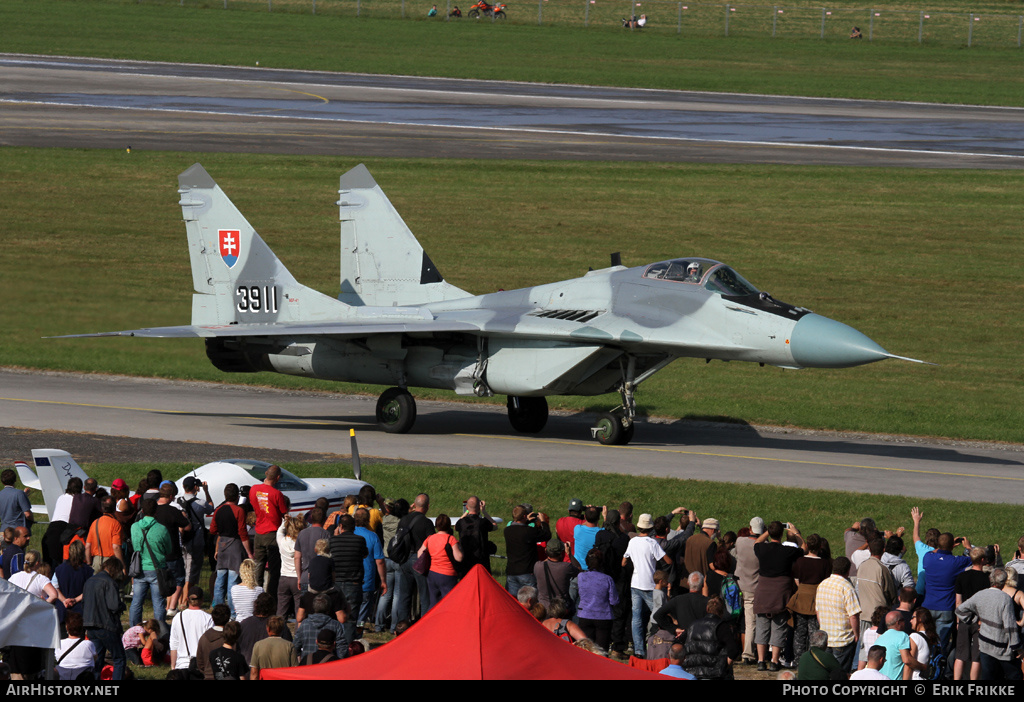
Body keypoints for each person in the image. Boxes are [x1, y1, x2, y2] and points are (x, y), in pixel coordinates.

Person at [753, 520, 805, 671]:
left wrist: (769, 531)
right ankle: (774, 661)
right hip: (781, 591)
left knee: (762, 626)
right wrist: (796, 532)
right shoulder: (787, 551)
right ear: (782, 535)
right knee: (779, 626)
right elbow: (803, 548)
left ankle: (761, 661)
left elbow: (757, 541)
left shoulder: (762, 549)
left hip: (763, 590)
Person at [955, 568, 1022, 680]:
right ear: (1003, 582)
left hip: (985, 645)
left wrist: (975, 621)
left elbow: (960, 610)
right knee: (1014, 675)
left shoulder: (981, 594)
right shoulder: (1005, 599)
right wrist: (1017, 647)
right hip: (1002, 649)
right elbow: (1010, 626)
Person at [622, 513, 672, 658]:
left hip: (635, 584)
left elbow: (623, 562)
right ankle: (657, 645)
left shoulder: (632, 542)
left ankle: (639, 650)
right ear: (651, 529)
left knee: (636, 618)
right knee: (658, 616)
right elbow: (668, 561)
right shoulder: (652, 543)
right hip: (650, 585)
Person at [922, 532, 974, 644]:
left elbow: (933, 552)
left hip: (928, 605)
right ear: (952, 546)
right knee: (941, 643)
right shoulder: (957, 562)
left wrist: (945, 546)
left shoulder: (928, 558)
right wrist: (968, 547)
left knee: (925, 642)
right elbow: (974, 558)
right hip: (946, 607)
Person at [210, 483, 253, 617]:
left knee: (220, 580)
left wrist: (217, 547)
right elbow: (242, 533)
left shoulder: (218, 510)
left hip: (222, 545)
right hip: (235, 546)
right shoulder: (239, 510)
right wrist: (249, 553)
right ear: (237, 496)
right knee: (233, 581)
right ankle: (233, 613)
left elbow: (212, 530)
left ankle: (218, 610)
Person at [250, 465, 289, 608]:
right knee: (274, 570)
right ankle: (271, 600)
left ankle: (256, 598)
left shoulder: (253, 489)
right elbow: (284, 513)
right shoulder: (277, 494)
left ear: (266, 474)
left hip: (259, 532)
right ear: (277, 478)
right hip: (273, 533)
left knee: (258, 567)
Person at [82, 558, 127, 681]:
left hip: (90, 625)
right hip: (106, 625)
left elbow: (84, 602)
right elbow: (113, 606)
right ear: (115, 569)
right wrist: (122, 605)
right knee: (119, 659)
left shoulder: (89, 581)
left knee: (97, 660)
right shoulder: (109, 582)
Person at [815, 556, 862, 672]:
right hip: (842, 639)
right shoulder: (847, 588)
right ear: (848, 570)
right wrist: (856, 634)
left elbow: (818, 611)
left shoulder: (822, 584)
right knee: (840, 673)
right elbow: (853, 615)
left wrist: (823, 627)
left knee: (827, 672)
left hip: (826, 637)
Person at [790, 533, 831, 663]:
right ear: (819, 547)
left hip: (801, 598)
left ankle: (798, 661)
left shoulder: (800, 561)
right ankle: (813, 660)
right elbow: (825, 582)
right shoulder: (824, 563)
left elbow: (796, 580)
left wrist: (803, 588)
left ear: (807, 545)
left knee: (799, 633)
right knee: (814, 633)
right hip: (816, 599)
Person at [395, 493, 434, 623]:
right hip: (419, 560)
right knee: (424, 595)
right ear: (427, 507)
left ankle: (402, 625)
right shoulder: (426, 522)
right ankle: (424, 624)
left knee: (404, 595)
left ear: (414, 504)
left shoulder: (404, 519)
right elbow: (431, 543)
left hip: (404, 558)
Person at [329, 513, 368, 645]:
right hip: (354, 583)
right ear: (354, 527)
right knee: (351, 618)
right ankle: (348, 646)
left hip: (336, 584)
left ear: (340, 526)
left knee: (334, 616)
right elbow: (364, 554)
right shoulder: (360, 540)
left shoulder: (332, 540)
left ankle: (335, 644)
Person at [682, 596, 741, 680]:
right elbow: (734, 650)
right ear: (722, 611)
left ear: (707, 609)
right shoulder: (721, 626)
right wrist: (724, 665)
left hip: (692, 673)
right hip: (714, 674)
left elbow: (677, 643)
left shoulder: (692, 625)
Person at [953, 546, 990, 680]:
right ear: (982, 560)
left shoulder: (961, 576)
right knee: (976, 656)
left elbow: (958, 602)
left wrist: (958, 621)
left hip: (964, 619)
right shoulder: (987, 579)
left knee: (960, 654)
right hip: (980, 620)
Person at [178, 476, 214, 603]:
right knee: (191, 573)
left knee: (182, 572)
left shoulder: (177, 502)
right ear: (195, 487)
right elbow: (211, 507)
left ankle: (180, 600)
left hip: (180, 542)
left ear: (183, 487)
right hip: (196, 541)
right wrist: (206, 491)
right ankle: (184, 602)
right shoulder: (200, 503)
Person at [417, 513, 462, 613]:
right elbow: (458, 558)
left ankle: (430, 624)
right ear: (449, 525)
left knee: (433, 603)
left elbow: (419, 554)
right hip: (447, 575)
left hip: (432, 574)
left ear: (436, 526)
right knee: (449, 603)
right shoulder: (451, 539)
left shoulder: (430, 538)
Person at [503, 505, 550, 598]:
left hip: (512, 571)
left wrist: (527, 521)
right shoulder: (528, 531)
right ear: (524, 516)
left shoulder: (507, 530)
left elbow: (519, 529)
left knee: (513, 601)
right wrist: (543, 521)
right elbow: (546, 535)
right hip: (527, 571)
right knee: (530, 601)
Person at [576, 548, 618, 651]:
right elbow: (614, 600)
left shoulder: (581, 576)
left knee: (586, 650)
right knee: (602, 651)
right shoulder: (607, 579)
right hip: (603, 616)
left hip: (585, 615)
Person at [353, 507, 386, 625]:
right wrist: (383, 580)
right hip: (367, 580)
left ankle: (349, 632)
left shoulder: (349, 533)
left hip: (349, 580)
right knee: (363, 611)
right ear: (368, 520)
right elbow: (380, 561)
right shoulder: (373, 536)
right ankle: (358, 631)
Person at [169, 589, 214, 673]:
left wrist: (173, 666)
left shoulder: (178, 617)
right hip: (202, 665)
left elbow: (174, 644)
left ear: (187, 599)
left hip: (182, 665)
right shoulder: (208, 618)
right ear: (202, 599)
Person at [293, 593, 347, 661]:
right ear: (329, 608)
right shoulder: (335, 625)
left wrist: (299, 660)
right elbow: (342, 648)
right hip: (329, 663)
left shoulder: (304, 624)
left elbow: (295, 646)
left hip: (308, 663)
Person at [874, 610, 921, 680]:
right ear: (898, 622)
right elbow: (907, 660)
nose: (905, 622)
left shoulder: (879, 639)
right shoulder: (902, 635)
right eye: (903, 620)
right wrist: (923, 667)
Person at [534, 539, 576, 614]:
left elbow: (546, 562)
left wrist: (548, 553)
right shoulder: (566, 567)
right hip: (561, 608)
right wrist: (569, 554)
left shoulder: (537, 566)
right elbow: (579, 569)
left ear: (546, 550)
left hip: (544, 608)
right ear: (561, 553)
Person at [456, 496, 495, 574]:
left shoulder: (462, 523)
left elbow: (456, 526)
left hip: (465, 560)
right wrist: (484, 511)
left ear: (467, 507)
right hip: (481, 560)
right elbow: (494, 525)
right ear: (479, 507)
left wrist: (467, 511)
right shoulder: (483, 522)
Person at [54, 539, 93, 617]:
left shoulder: (58, 569)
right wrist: (75, 600)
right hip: (80, 611)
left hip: (62, 610)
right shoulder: (89, 571)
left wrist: (64, 600)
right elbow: (90, 590)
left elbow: (55, 588)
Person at [85, 496, 124, 572]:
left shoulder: (95, 523)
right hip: (111, 563)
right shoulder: (116, 524)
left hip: (97, 561)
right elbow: (116, 547)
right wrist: (122, 565)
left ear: (102, 508)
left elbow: (88, 546)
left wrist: (89, 563)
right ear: (114, 508)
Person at [55, 611, 97, 681]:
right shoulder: (89, 644)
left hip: (63, 675)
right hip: (84, 676)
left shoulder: (59, 643)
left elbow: (57, 658)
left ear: (67, 627)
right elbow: (95, 658)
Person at [276, 515, 304, 619]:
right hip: (297, 577)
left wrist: (285, 521)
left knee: (281, 611)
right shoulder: (301, 543)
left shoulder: (281, 541)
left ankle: (278, 632)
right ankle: (298, 633)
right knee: (299, 612)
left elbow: (280, 530)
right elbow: (310, 528)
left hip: (284, 577)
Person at [196, 604, 230, 680]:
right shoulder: (231, 639)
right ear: (228, 618)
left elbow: (200, 663)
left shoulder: (204, 638)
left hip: (209, 676)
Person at [909, 608, 937, 681]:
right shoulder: (936, 638)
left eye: (913, 617)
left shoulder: (915, 637)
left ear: (920, 619)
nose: (910, 621)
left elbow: (909, 663)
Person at [0, 469, 32, 534]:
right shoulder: (19, 494)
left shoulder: (1, 494)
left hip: (3, 531)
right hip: (17, 531)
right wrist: (31, 522)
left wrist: (24, 494)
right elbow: (28, 514)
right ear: (15, 480)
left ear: (2, 482)